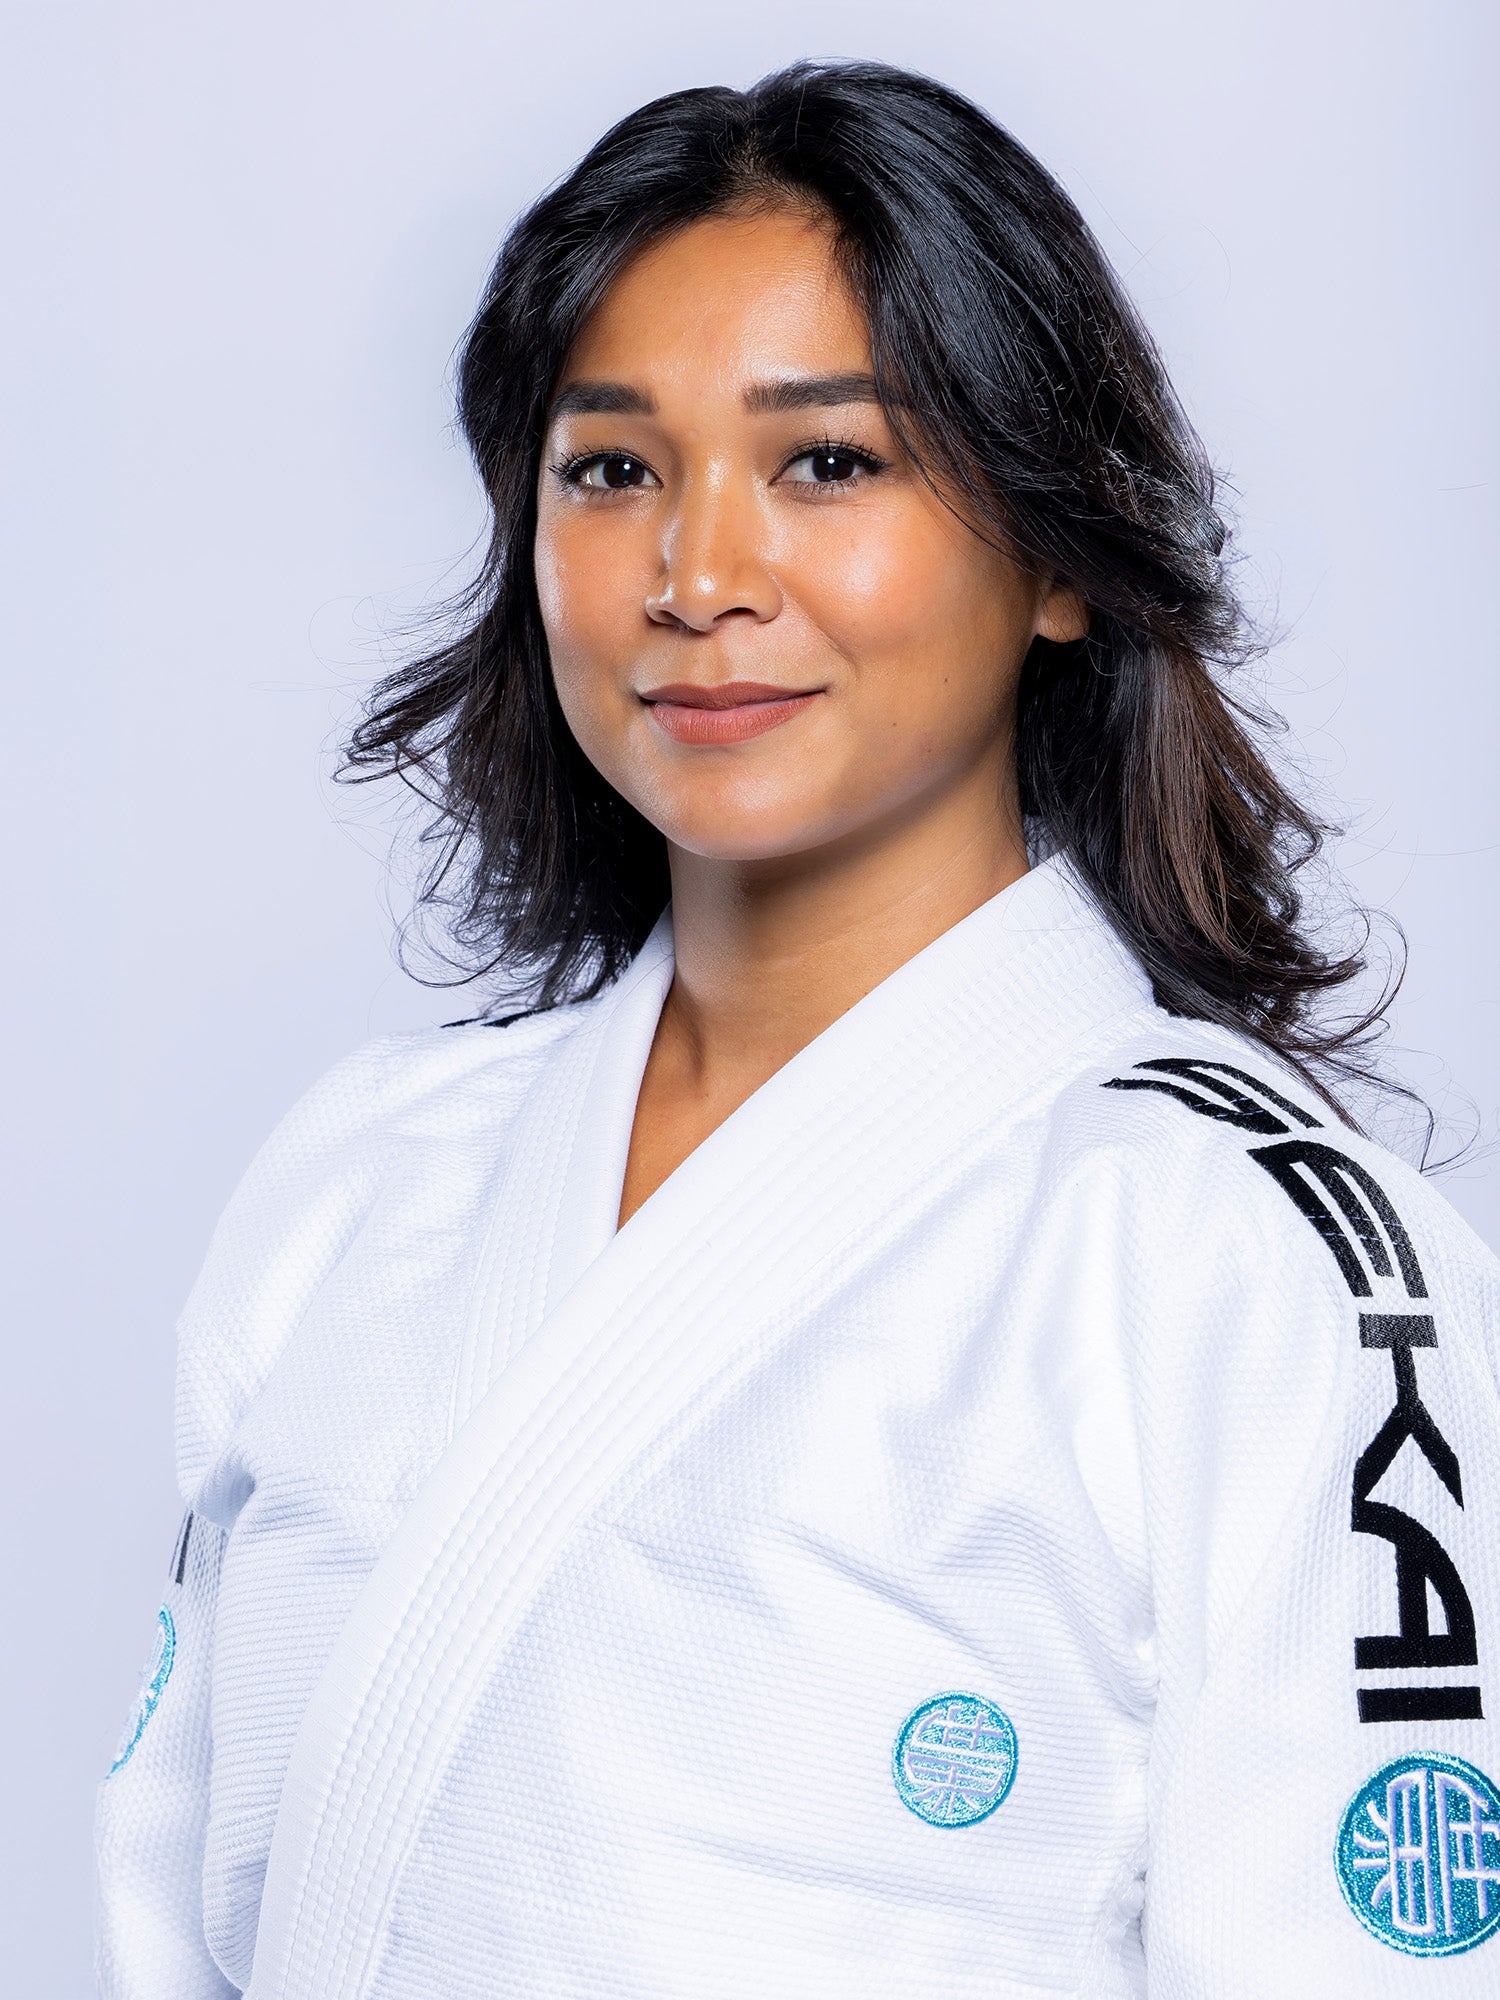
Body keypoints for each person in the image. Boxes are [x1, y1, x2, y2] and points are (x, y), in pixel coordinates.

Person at [97, 60, 1500, 1999]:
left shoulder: (1255, 1263)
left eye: (826, 462)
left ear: (1067, 558)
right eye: (613, 471)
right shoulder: (363, 1180)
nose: (697, 577)